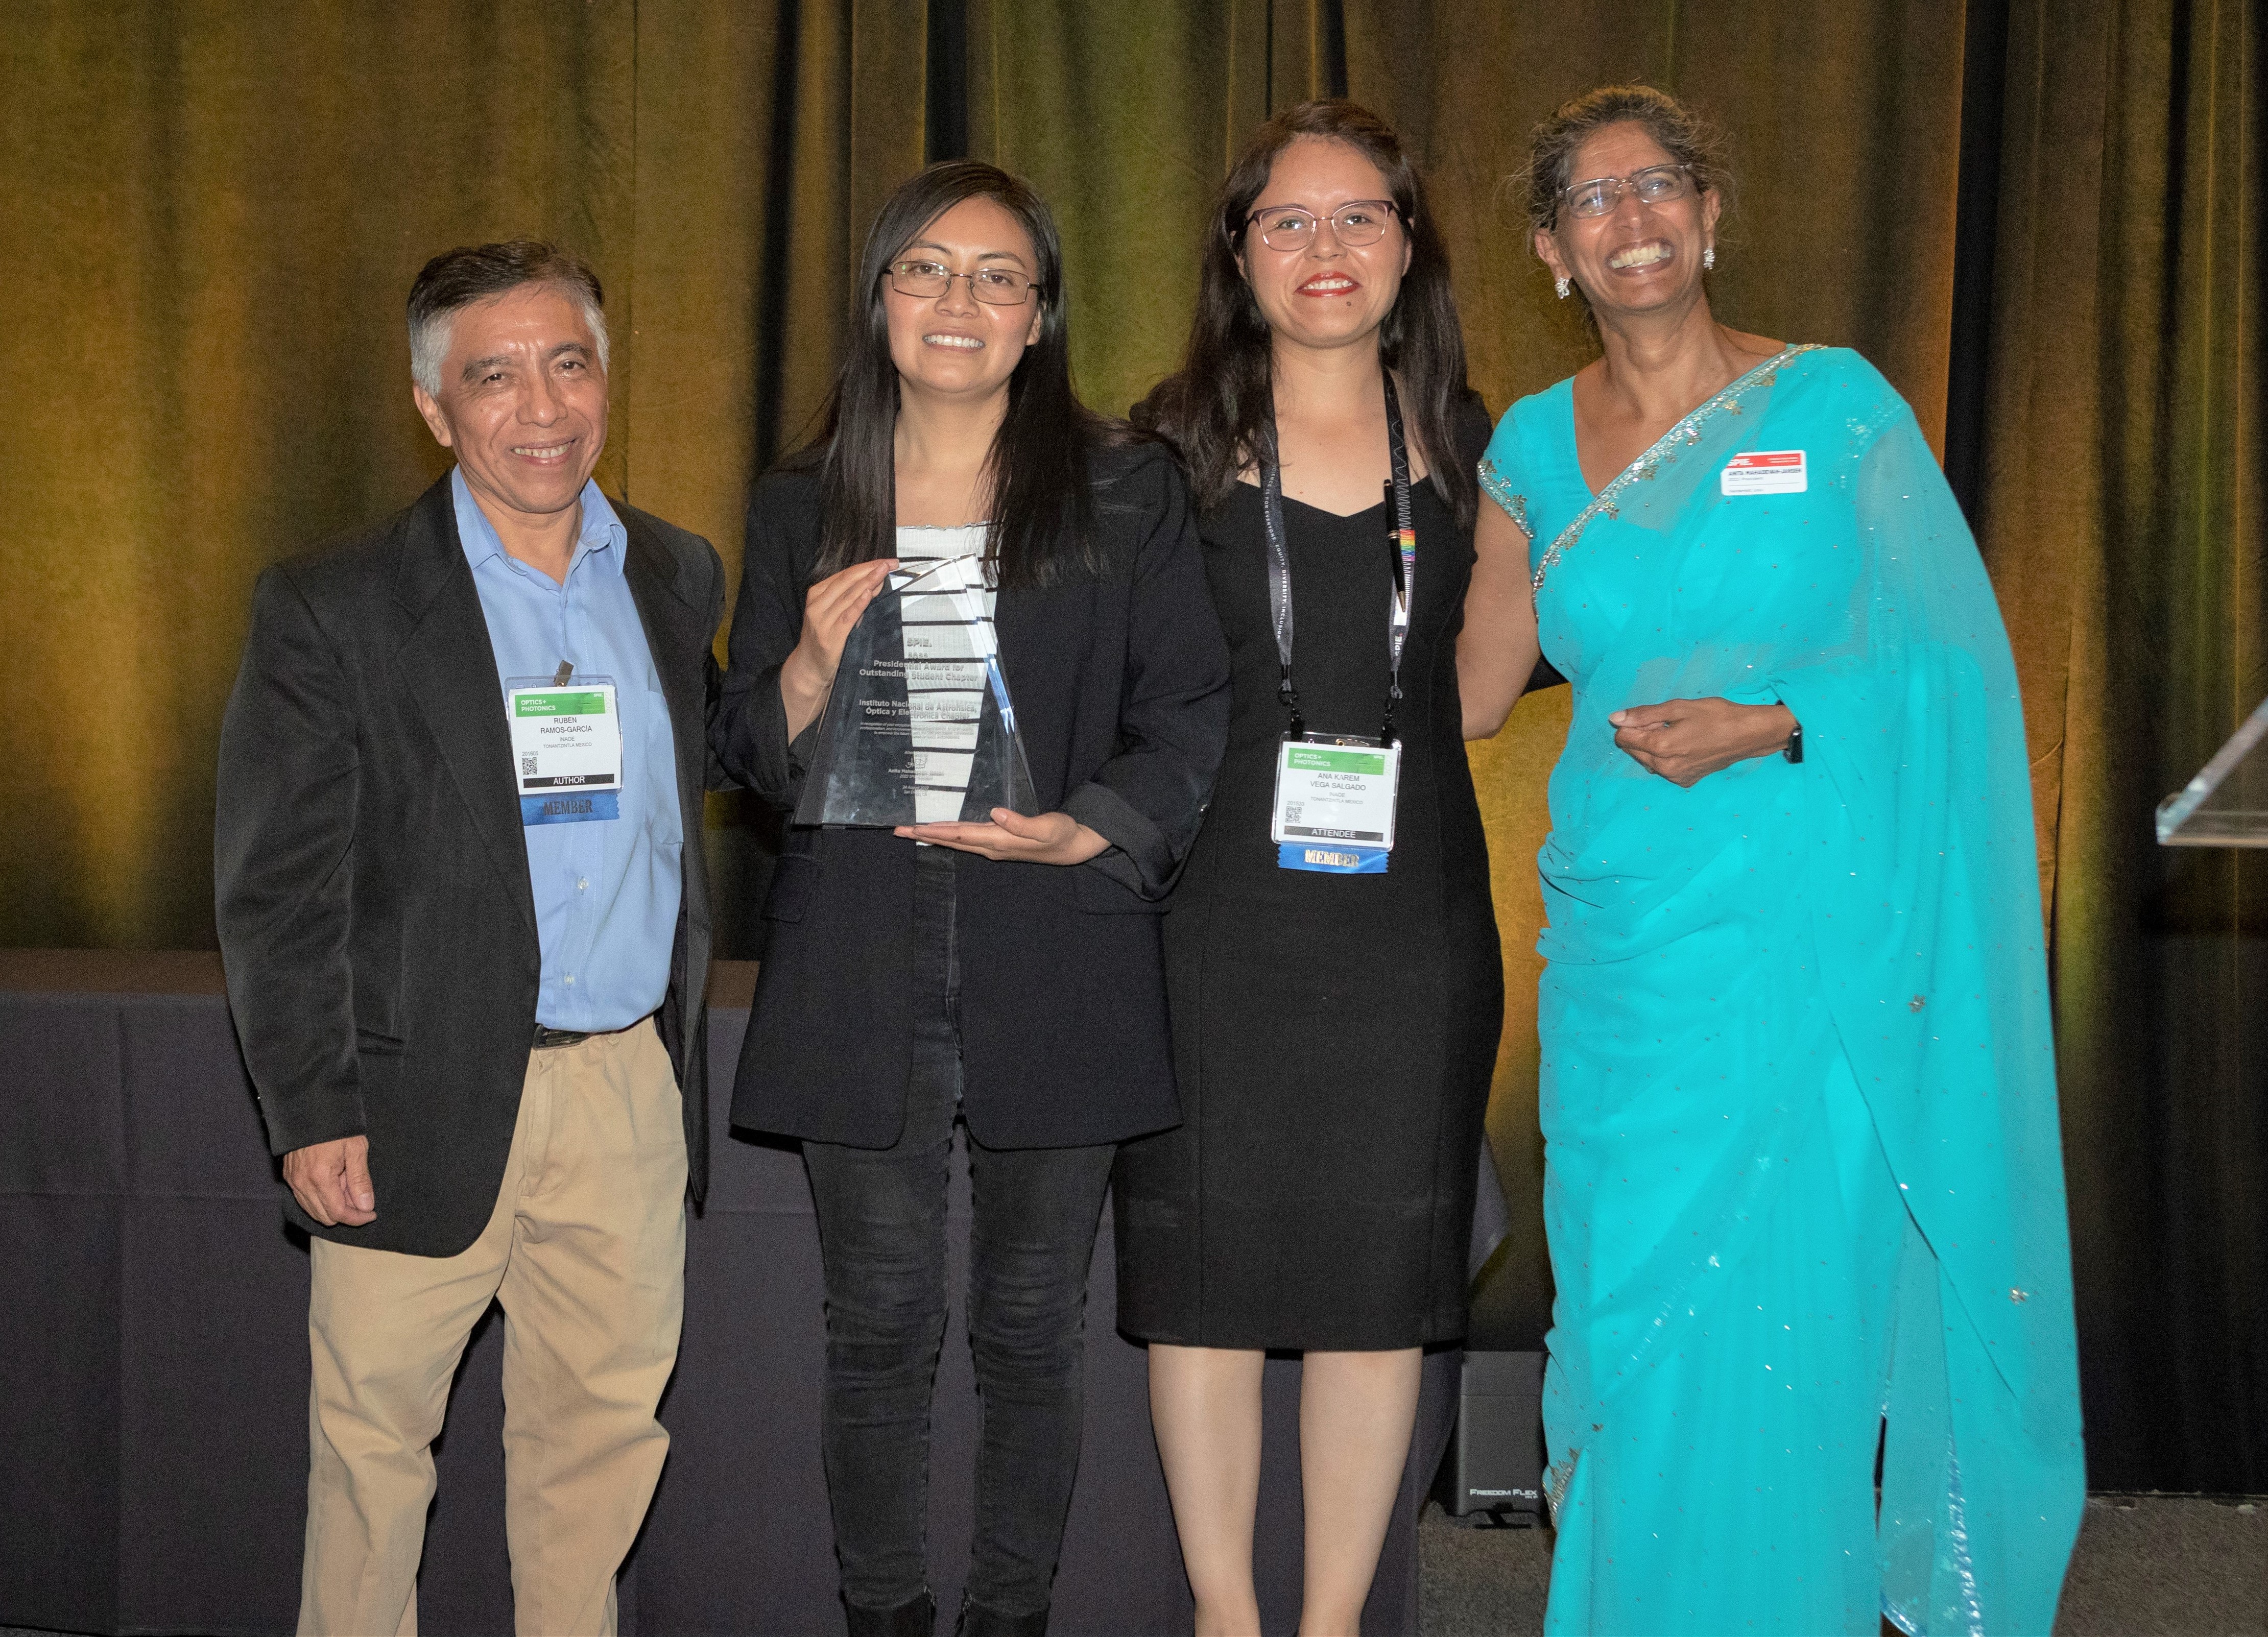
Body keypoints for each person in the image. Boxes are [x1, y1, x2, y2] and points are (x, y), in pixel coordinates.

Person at [1458, 85, 2085, 1634]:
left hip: (1806, 945)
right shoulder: (1526, 448)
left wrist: (1776, 719)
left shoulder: (1839, 409)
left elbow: (1953, 671)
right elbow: (1468, 690)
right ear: (1551, 251)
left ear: (1710, 214)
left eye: (1658, 186)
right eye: (1593, 200)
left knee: (1780, 1310)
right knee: (1622, 1308)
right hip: (1622, 953)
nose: (1633, 218)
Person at [712, 161, 1229, 1637]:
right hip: (859, 957)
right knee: (875, 1331)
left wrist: (1088, 833)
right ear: (880, 300)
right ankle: (885, 1616)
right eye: (928, 269)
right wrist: (806, 672)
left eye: (997, 275)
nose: (960, 300)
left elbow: (1192, 710)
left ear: (1039, 315)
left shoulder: (1124, 490)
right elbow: (744, 743)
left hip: (1056, 950)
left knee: (1027, 1333)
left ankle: (1009, 1620)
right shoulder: (802, 498)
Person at [215, 241, 725, 1635]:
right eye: (493, 376)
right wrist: (311, 1108)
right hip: (413, 1091)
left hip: (627, 1092)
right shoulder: (337, 602)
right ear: (436, 409)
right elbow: (278, 887)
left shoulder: (675, 577)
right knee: (374, 1453)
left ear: (606, 379)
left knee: (600, 1455)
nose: (541, 405)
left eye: (568, 363)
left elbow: (712, 789)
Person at [1114, 101, 1503, 1636]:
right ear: (1238, 257)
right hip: (1211, 920)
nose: (1322, 249)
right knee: (1202, 1273)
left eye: (1358, 218)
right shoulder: (1161, 451)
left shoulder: (1487, 447)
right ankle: (1225, 1611)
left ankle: (1334, 1619)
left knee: (1375, 1279)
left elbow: (1479, 691)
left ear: (1409, 248)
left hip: (1410, 932)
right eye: (1286, 221)